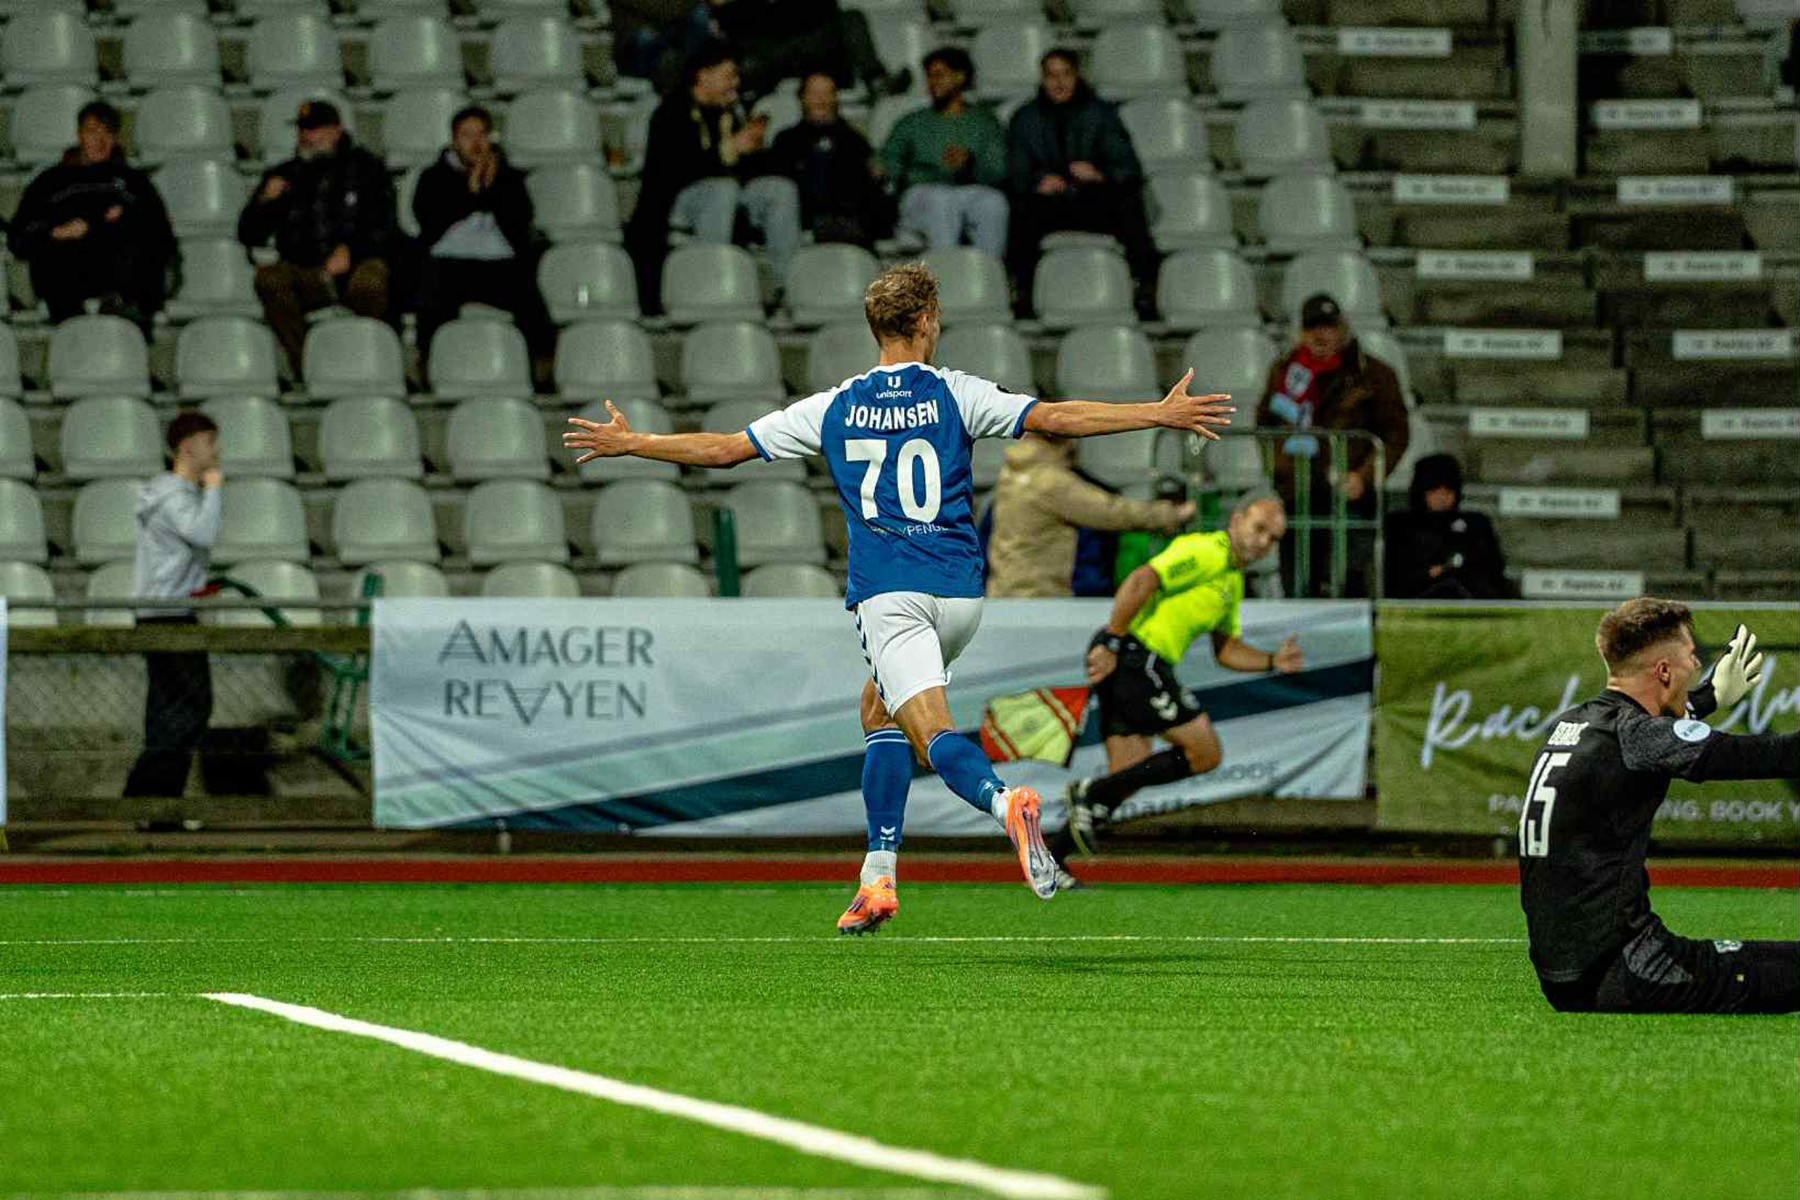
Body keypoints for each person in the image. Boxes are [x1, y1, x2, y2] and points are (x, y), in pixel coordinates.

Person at [565, 261, 1235, 933]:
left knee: (931, 733)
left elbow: (725, 450)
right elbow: (1056, 417)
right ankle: (876, 878)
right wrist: (1157, 413)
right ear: (925, 322)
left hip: (892, 597)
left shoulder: (834, 404)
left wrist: (633, 443)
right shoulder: (957, 392)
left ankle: (1006, 806)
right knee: (878, 707)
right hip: (961, 597)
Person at [1519, 599, 1797, 1014]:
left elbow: (1656, 728)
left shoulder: (1575, 723)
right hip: (1628, 969)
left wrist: (1708, 697)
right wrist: (1706, 701)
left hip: (1566, 974)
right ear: (1664, 671)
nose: (1697, 665)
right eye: (1691, 656)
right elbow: (1764, 755)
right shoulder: (1637, 736)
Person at [1058, 495, 1304, 861]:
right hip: (1135, 655)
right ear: (1236, 520)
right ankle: (1090, 792)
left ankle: (1050, 862)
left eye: (1273, 538)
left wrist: (1271, 660)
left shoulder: (1232, 580)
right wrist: (1112, 640)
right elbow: (1143, 578)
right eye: (1259, 528)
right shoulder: (1207, 551)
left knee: (1124, 777)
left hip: (1137, 657)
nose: (1264, 541)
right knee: (1205, 752)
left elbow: (1226, 650)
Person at [623, 42, 802, 314]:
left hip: (728, 198)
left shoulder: (730, 113)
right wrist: (731, 149)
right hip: (675, 204)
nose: (735, 83)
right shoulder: (670, 113)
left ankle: (787, 288)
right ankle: (714, 282)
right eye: (729, 75)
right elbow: (676, 170)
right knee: (722, 190)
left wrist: (755, 148)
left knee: (779, 190)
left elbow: (744, 169)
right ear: (703, 75)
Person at [1253, 293, 1408, 598]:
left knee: (1349, 583)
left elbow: (1395, 434)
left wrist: (1364, 476)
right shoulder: (1283, 372)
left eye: (1328, 326)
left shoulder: (1374, 374)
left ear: (1342, 329)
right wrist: (1281, 470)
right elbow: (1265, 426)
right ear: (1301, 332)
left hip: (1350, 493)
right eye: (1312, 327)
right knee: (1298, 584)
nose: (1320, 335)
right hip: (1297, 492)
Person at [238, 101, 396, 376]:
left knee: (370, 282)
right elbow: (248, 234)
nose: (306, 136)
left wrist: (352, 250)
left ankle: (368, 358)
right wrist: (265, 202)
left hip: (355, 266)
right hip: (306, 269)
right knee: (270, 279)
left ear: (336, 131)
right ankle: (305, 362)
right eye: (302, 129)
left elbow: (383, 225)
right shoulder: (285, 174)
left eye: (314, 129)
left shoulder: (366, 169)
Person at [1005, 49, 1159, 317]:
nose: (1059, 82)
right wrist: (1038, 181)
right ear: (1042, 79)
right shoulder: (1025, 118)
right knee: (1021, 210)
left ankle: (1144, 288)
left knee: (1129, 203)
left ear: (1077, 76)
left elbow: (1128, 167)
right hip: (1049, 202)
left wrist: (1100, 175)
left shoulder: (1102, 114)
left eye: (1065, 74)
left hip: (1093, 200)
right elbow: (1014, 170)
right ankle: (1022, 292)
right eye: (1051, 75)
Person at [6, 100, 177, 333]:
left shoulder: (134, 182)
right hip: (68, 274)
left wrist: (120, 222)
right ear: (79, 135)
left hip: (119, 274)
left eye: (108, 133)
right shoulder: (51, 181)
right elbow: (18, 238)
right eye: (92, 131)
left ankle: (123, 313)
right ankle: (73, 329)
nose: (100, 140)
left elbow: (163, 237)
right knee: (55, 254)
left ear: (116, 138)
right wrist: (56, 232)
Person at [123, 412, 224, 799]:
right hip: (169, 616)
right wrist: (214, 489)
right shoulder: (175, 496)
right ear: (187, 447)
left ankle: (155, 806)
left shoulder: (168, 494)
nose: (216, 452)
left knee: (168, 709)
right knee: (192, 707)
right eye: (210, 443)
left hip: (163, 612)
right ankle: (147, 796)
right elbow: (204, 533)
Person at [410, 104, 554, 375]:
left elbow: (520, 221)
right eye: (467, 135)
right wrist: (470, 192)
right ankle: (428, 363)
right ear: (454, 141)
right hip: (449, 262)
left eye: (481, 135)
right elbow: (428, 221)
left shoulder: (508, 177)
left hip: (498, 263)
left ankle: (542, 366)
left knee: (528, 295)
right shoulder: (433, 177)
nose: (476, 143)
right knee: (432, 295)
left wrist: (493, 188)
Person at [986, 432, 1193, 598]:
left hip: (1005, 590)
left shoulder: (1013, 473)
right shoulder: (1051, 481)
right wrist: (1172, 514)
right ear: (1068, 443)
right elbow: (1111, 512)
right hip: (1038, 594)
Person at [882, 48, 1009, 259]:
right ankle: (946, 273)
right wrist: (885, 168)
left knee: (993, 202)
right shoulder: (913, 122)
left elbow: (998, 170)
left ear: (960, 77)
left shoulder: (984, 121)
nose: (933, 83)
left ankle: (988, 271)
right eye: (929, 77)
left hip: (968, 189)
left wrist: (970, 163)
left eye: (939, 75)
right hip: (923, 194)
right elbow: (890, 158)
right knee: (942, 200)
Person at [765, 73, 892, 246]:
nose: (821, 100)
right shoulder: (786, 139)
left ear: (835, 98)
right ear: (802, 98)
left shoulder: (854, 139)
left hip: (851, 222)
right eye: (814, 93)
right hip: (803, 220)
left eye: (827, 93)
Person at [1384, 453, 1508, 599]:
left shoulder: (1476, 524)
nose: (1441, 497)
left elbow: (1492, 569)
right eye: (1434, 490)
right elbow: (1393, 573)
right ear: (1420, 490)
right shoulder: (1399, 525)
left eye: (1448, 491)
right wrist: (1427, 574)